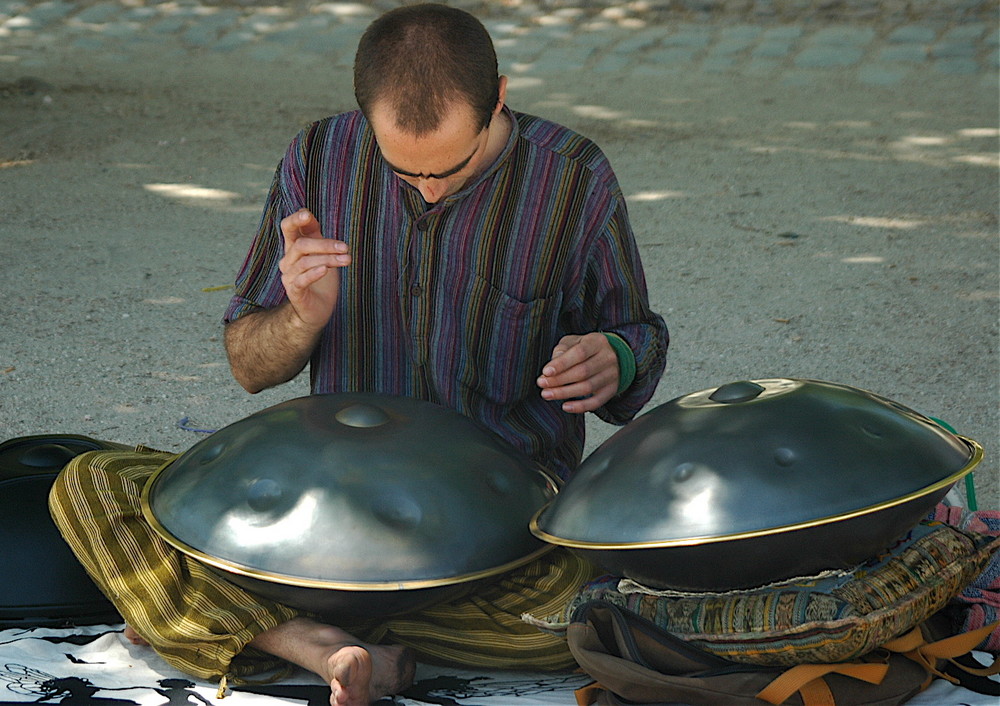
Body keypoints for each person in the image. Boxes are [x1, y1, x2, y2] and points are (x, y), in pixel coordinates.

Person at [50, 4, 668, 705]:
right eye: (404, 173)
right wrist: (300, 320)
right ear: (365, 118)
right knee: (90, 483)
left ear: (500, 96)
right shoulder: (318, 159)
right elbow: (250, 366)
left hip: (495, 529)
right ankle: (309, 640)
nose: (429, 192)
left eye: (454, 169)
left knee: (588, 618)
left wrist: (614, 356)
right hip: (320, 513)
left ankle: (237, 620)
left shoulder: (573, 178)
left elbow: (638, 333)